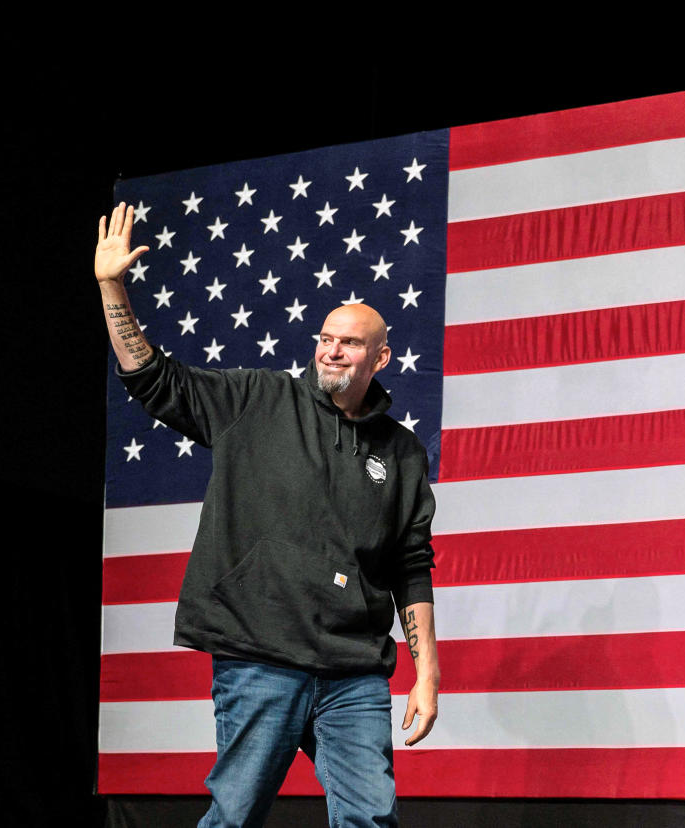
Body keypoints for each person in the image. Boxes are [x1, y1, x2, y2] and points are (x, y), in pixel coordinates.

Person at [95, 202, 439, 828]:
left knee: (371, 820)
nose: (332, 352)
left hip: (354, 669)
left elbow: (411, 565)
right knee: (235, 817)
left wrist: (427, 675)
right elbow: (153, 380)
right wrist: (111, 285)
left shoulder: (402, 451)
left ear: (380, 359)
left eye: (350, 344)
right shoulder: (258, 397)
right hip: (259, 656)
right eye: (325, 339)